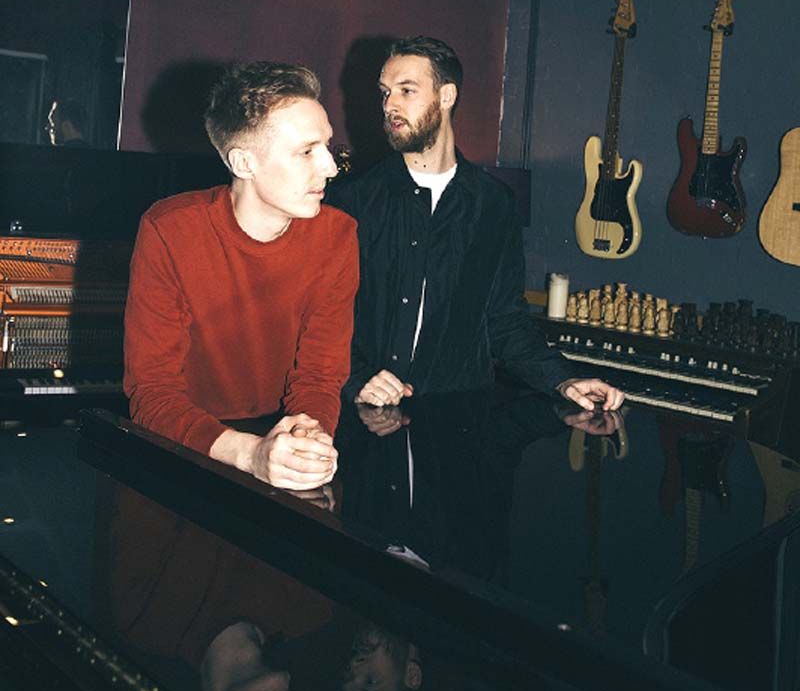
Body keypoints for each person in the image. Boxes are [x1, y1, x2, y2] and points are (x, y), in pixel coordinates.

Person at [326, 36, 623, 413]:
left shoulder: (493, 204)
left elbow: (505, 320)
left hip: (457, 418)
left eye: (406, 90)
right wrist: (356, 378)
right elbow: (320, 315)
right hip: (365, 419)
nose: (390, 105)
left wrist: (563, 379)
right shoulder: (352, 200)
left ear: (446, 96)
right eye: (385, 92)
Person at [124, 61, 358, 490]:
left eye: (327, 146)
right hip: (188, 451)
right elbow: (152, 394)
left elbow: (320, 377)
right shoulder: (170, 229)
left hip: (282, 437)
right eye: (307, 151)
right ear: (244, 162)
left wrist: (306, 442)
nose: (330, 166)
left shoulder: (338, 235)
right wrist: (250, 454)